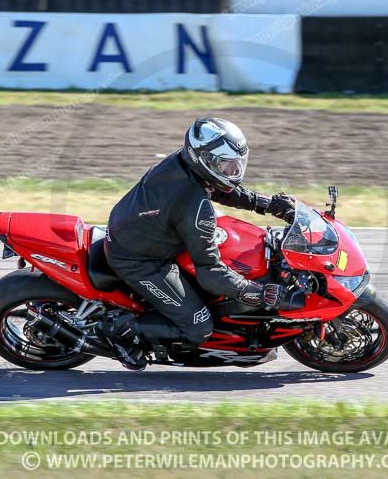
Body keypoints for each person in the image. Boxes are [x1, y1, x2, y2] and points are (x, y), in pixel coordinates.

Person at [99, 117, 296, 370]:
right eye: (225, 165)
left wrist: (266, 204)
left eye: (236, 164)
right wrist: (254, 292)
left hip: (144, 231)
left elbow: (219, 187)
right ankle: (120, 330)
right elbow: (210, 272)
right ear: (204, 159)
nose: (233, 171)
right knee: (199, 325)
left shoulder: (184, 163)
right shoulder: (195, 206)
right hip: (139, 260)